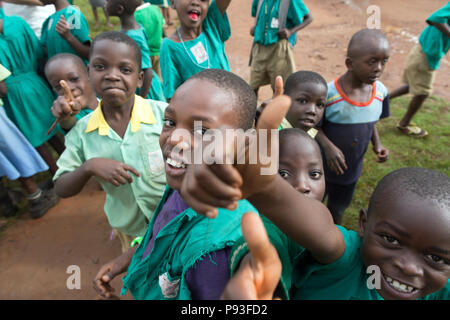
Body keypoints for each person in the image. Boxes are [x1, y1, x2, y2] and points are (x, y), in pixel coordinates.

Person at [175, 100, 450, 300]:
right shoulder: (345, 259)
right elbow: (318, 227)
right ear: (363, 224)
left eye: (436, 257)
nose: (409, 266)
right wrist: (264, 187)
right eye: (391, 240)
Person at [93, 69, 259, 300]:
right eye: (170, 122)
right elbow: (162, 230)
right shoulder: (184, 180)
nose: (174, 138)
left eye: (201, 130)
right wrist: (127, 258)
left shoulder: (214, 249)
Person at [53, 31, 167, 252]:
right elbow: (61, 187)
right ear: (88, 72)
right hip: (131, 230)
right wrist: (89, 167)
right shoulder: (82, 132)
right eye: (100, 67)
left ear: (140, 78)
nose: (112, 76)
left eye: (125, 70)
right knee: (141, 278)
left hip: (174, 221)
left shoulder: (164, 116)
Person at [225, 128, 326, 299]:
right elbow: (263, 243)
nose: (303, 185)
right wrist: (255, 269)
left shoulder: (327, 225)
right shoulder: (270, 224)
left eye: (314, 174)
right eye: (284, 174)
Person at [315, 29, 390, 225]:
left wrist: (378, 144)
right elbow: (311, 126)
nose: (379, 68)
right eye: (372, 61)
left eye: (384, 61)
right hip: (320, 168)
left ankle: (332, 245)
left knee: (337, 209)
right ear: (350, 63)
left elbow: (371, 121)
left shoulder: (380, 92)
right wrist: (328, 147)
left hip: (350, 171)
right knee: (311, 207)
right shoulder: (329, 93)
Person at [0, 13, 64, 175]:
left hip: (12, 93)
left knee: (35, 139)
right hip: (35, 82)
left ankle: (57, 174)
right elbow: (38, 52)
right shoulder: (18, 22)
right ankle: (75, 164)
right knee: (51, 127)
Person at [0, 64, 59, 219]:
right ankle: (36, 197)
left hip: (22, 89)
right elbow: (2, 89)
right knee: (14, 152)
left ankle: (8, 203)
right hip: (28, 87)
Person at [389, 3, 450, 137]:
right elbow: (436, 18)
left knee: (412, 84)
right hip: (425, 56)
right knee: (423, 92)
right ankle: (404, 124)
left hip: (424, 52)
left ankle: (382, 101)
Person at [160, 0, 232, 100]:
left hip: (229, 102)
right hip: (202, 112)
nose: (195, 2)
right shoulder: (170, 46)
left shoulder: (211, 23)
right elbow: (171, 96)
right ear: (172, 3)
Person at [249, 0, 312, 98]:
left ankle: (276, 112)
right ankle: (252, 112)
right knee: (253, 85)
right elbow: (260, 14)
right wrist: (256, 27)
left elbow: (309, 18)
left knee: (278, 86)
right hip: (260, 47)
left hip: (279, 49)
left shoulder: (290, 1)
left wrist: (290, 31)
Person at [105, 0, 166, 102]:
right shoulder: (131, 28)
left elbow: (148, 71)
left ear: (120, 9)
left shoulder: (134, 36)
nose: (104, 4)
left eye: (107, 1)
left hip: (146, 90)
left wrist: (140, 100)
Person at [44, 53, 98, 132]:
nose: (68, 88)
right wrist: (65, 118)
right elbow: (69, 124)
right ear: (55, 91)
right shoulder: (80, 120)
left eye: (74, 79)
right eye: (59, 87)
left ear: (89, 73)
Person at [276, 71, 327, 139]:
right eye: (303, 101)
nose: (312, 111)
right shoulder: (271, 130)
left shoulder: (311, 135)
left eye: (319, 105)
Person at [134, 0, 164, 79]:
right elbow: (162, 27)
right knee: (157, 77)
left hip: (144, 56)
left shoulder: (136, 15)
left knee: (145, 79)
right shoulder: (155, 9)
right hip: (158, 51)